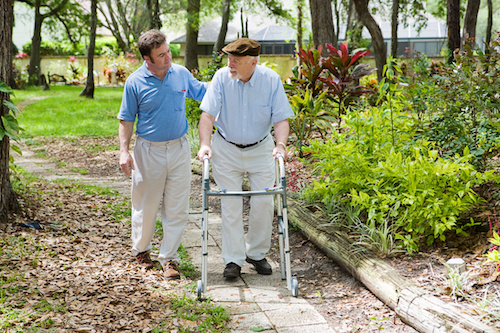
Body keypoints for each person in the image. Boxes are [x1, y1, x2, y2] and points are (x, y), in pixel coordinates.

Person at [197, 38, 293, 279]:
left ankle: (256, 253)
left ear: (253, 62)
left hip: (261, 148)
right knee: (231, 204)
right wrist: (205, 145)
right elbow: (207, 116)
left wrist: (281, 145)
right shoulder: (221, 78)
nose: (230, 64)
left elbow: (281, 119)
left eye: (236, 61)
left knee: (264, 202)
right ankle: (233, 259)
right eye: (229, 59)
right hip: (227, 148)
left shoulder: (270, 79)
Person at [118, 29, 207, 280]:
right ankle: (142, 251)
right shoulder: (135, 82)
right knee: (146, 206)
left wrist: (229, 81)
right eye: (161, 55)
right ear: (148, 59)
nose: (168, 57)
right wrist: (124, 152)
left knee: (177, 207)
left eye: (168, 51)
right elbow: (126, 120)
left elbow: (203, 93)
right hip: (149, 151)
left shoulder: (180, 74)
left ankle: (169, 259)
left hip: (179, 148)